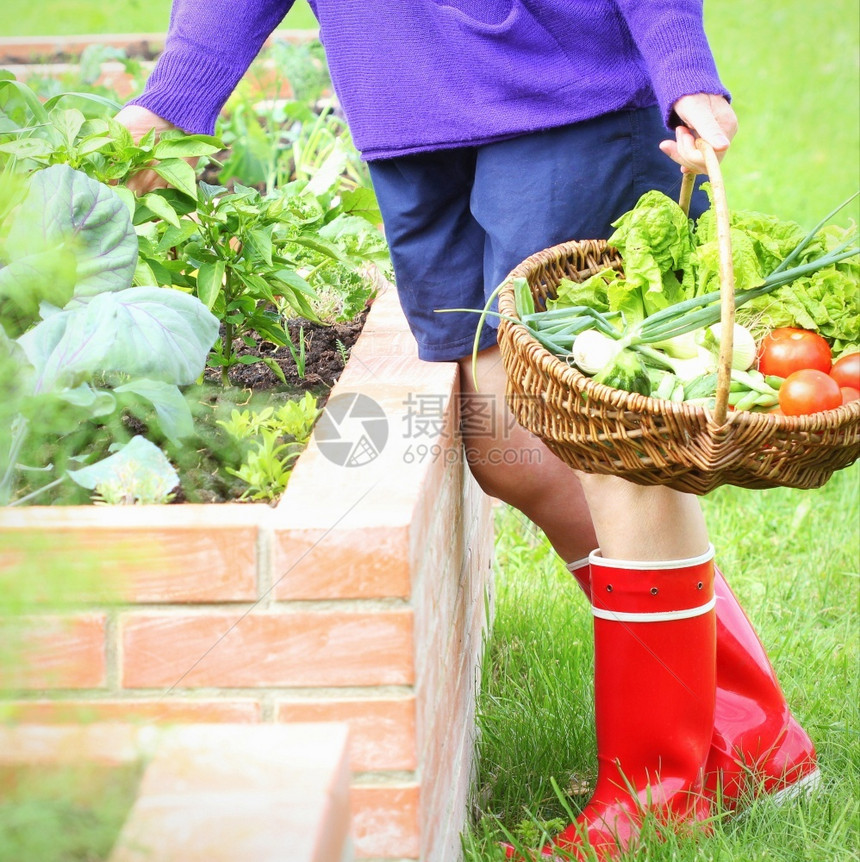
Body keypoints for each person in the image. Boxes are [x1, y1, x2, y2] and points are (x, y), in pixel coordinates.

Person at [116, 2, 819, 857]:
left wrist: (683, 67)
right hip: (407, 118)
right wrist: (172, 101)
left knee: (608, 444)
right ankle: (751, 733)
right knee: (513, 453)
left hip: (561, 94)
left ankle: (659, 787)